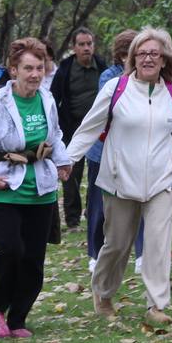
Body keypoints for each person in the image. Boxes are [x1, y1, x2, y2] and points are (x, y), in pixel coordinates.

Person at [66, 28, 172, 327]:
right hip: (120, 179)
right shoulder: (116, 89)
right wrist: (67, 160)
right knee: (117, 243)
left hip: (161, 179)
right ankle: (104, 292)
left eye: (154, 54)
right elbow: (88, 128)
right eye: (142, 53)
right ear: (133, 58)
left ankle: (157, 304)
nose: (148, 58)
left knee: (158, 242)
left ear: (164, 61)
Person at [0, 37, 73, 338]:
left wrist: (62, 161)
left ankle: (18, 317)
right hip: (4, 185)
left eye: (40, 67)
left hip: (41, 188)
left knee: (33, 258)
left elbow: (55, 134)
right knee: (10, 249)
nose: (35, 74)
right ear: (13, 70)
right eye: (28, 68)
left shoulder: (46, 99)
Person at [82, 29, 144, 274]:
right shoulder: (109, 77)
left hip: (135, 151)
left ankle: (142, 253)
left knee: (140, 200)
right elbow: (113, 110)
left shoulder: (148, 77)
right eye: (135, 52)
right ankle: (94, 253)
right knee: (98, 205)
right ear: (122, 54)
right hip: (102, 151)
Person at [51, 27, 107, 229]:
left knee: (98, 174)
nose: (86, 48)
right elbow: (53, 98)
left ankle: (93, 212)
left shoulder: (102, 67)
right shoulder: (65, 69)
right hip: (71, 128)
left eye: (89, 44)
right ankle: (72, 219)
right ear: (74, 47)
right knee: (71, 174)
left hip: (100, 131)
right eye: (81, 44)